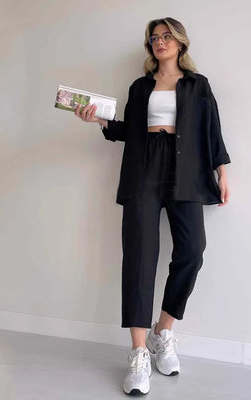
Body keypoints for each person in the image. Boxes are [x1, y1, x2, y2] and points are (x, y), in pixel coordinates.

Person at [75, 17, 231, 396]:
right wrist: (100, 120)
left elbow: (212, 131)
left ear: (180, 43)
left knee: (192, 251)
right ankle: (139, 352)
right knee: (140, 256)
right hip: (144, 168)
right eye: (154, 38)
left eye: (166, 37)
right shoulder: (140, 86)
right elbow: (129, 131)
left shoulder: (198, 85)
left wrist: (222, 172)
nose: (160, 42)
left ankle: (163, 331)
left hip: (187, 170)